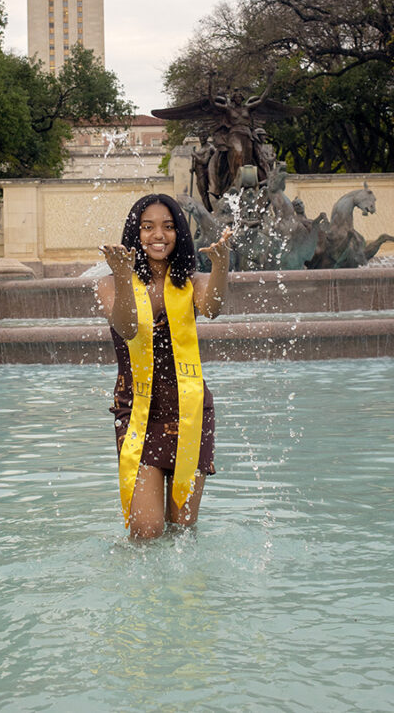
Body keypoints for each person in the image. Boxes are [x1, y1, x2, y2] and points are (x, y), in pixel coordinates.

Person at [97, 194, 231, 540]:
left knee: (182, 530)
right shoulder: (109, 284)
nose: (159, 234)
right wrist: (125, 278)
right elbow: (127, 328)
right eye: (148, 227)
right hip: (139, 410)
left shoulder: (191, 283)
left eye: (168, 227)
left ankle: (180, 593)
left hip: (190, 410)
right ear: (135, 233)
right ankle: (137, 593)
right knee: (147, 529)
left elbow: (213, 308)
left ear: (179, 234)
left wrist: (221, 266)